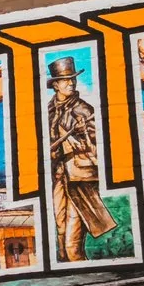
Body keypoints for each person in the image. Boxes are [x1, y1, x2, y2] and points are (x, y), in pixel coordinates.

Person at [46, 56, 115, 260]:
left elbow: (98, 146)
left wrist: (81, 139)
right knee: (60, 231)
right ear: (55, 85)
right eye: (66, 79)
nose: (71, 83)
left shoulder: (83, 109)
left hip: (80, 179)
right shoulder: (49, 111)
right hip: (58, 177)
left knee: (71, 245)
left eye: (73, 79)